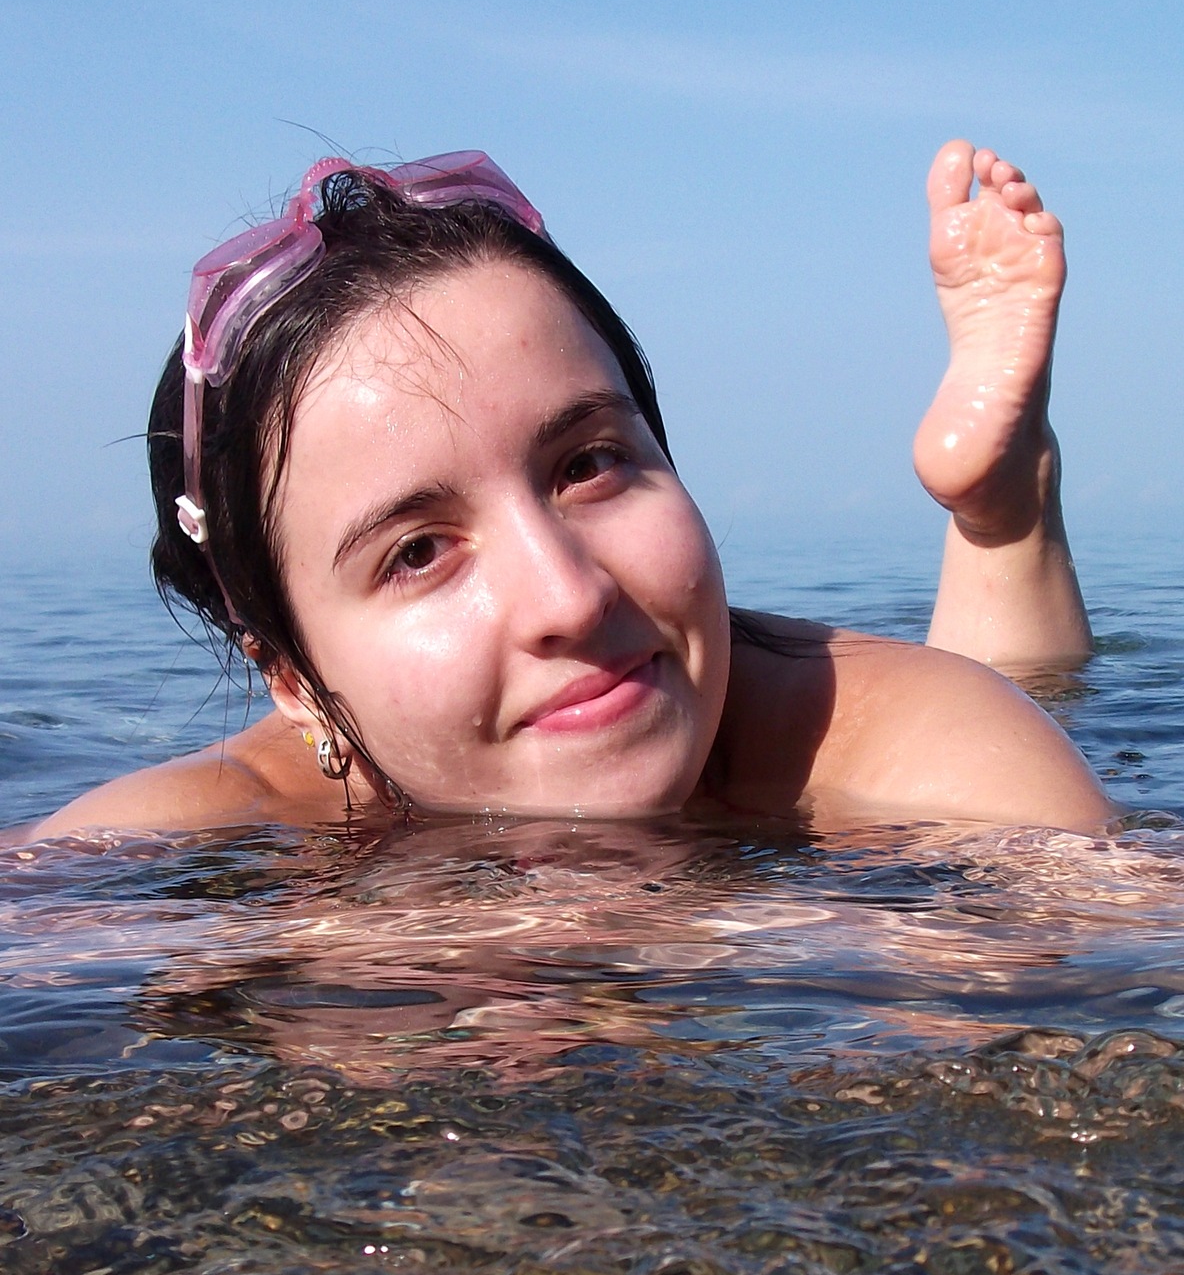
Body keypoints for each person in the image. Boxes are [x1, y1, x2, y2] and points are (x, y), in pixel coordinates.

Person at [23, 139, 1110, 844]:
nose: (571, 597)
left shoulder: (915, 734)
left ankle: (1005, 517)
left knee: (1029, 692)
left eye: (587, 464)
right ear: (294, 679)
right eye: (417, 551)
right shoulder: (191, 832)